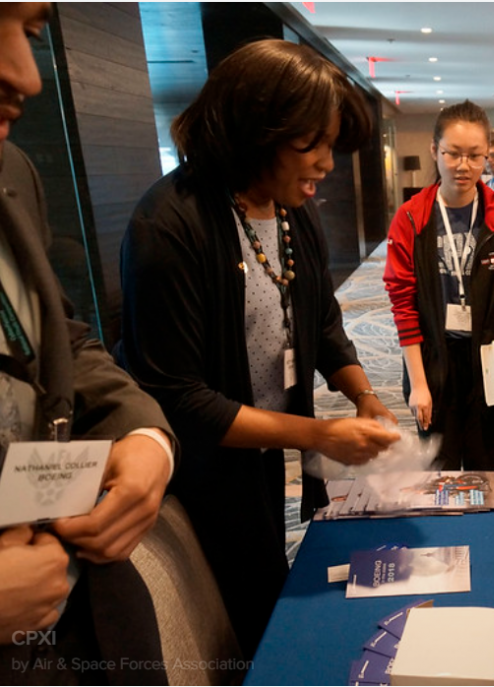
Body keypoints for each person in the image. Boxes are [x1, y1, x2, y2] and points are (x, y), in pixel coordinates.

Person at [118, 39, 400, 659]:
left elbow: (321, 320)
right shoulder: (169, 226)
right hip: (196, 469)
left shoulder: (292, 211)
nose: (327, 163)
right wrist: (319, 436)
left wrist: (363, 394)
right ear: (254, 127)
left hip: (266, 443)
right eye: (312, 143)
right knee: (233, 615)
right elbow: (180, 398)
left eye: (331, 144)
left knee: (269, 577)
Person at [1, 3, 175, 682]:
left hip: (93, 613)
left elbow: (61, 338)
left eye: (32, 34)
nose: (26, 74)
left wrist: (145, 440)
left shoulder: (12, 168)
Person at [384, 100, 494, 472]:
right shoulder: (412, 217)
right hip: (434, 358)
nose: (464, 166)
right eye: (453, 154)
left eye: (475, 156)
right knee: (439, 467)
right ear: (434, 151)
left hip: (490, 357)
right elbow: (403, 305)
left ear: (488, 155)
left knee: (485, 465)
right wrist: (419, 384)